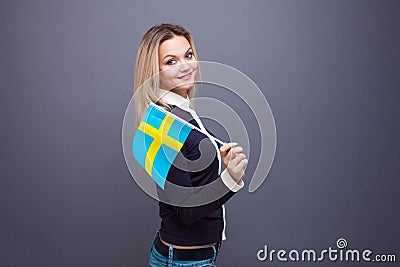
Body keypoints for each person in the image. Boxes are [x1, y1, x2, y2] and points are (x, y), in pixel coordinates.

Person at [133, 23, 248, 266]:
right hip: (185, 260)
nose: (185, 66)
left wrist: (219, 160)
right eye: (171, 61)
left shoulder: (182, 112)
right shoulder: (165, 126)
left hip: (189, 256)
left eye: (188, 55)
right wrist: (230, 178)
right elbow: (187, 212)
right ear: (154, 71)